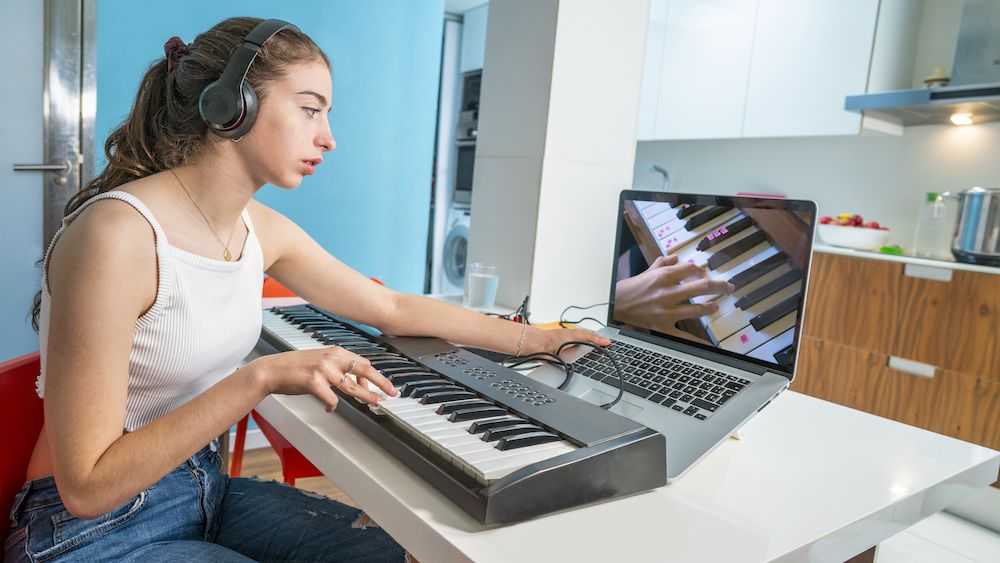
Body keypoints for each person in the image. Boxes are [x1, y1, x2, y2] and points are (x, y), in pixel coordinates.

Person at [4, 17, 611, 562]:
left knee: (394, 554)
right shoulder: (117, 236)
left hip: (196, 486)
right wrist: (263, 375)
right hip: (89, 534)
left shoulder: (254, 226)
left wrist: (534, 338)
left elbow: (390, 307)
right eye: (310, 109)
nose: (329, 138)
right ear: (232, 106)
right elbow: (86, 486)